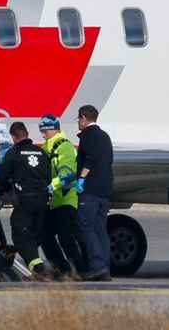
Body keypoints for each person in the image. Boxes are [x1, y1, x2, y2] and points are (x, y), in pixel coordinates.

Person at [0, 121, 53, 278]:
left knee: (19, 236)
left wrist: (1, 190)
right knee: (34, 234)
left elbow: (3, 178)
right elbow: (48, 176)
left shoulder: (13, 153)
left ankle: (38, 266)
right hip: (43, 199)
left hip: (25, 200)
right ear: (27, 134)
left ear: (14, 137)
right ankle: (37, 270)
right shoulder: (41, 152)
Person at [37, 114, 86, 278]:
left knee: (66, 236)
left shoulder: (64, 146)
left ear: (55, 129)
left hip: (66, 199)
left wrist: (52, 185)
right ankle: (63, 270)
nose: (43, 135)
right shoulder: (46, 148)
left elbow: (68, 173)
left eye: (45, 131)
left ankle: (78, 269)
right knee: (45, 236)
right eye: (41, 131)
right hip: (52, 202)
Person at [74, 105, 114, 282]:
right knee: (100, 229)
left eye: (79, 119)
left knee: (85, 226)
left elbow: (90, 158)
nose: (78, 123)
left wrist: (81, 178)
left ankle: (97, 265)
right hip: (105, 189)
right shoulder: (105, 136)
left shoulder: (88, 136)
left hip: (91, 189)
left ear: (83, 118)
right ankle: (105, 267)